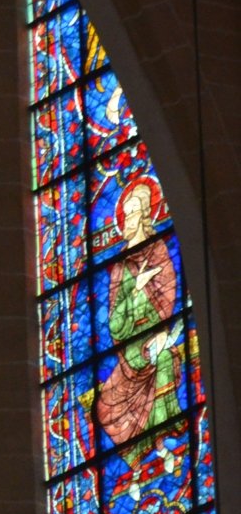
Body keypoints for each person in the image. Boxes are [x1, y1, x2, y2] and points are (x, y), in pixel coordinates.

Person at [96, 178, 184, 445]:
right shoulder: (121, 267)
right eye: (125, 212)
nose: (127, 219)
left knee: (166, 359)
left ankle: (162, 441)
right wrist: (135, 291)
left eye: (133, 212)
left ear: (145, 214)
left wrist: (161, 330)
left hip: (157, 333)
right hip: (130, 346)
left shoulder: (158, 250)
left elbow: (168, 294)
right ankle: (141, 456)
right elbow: (114, 325)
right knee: (104, 408)